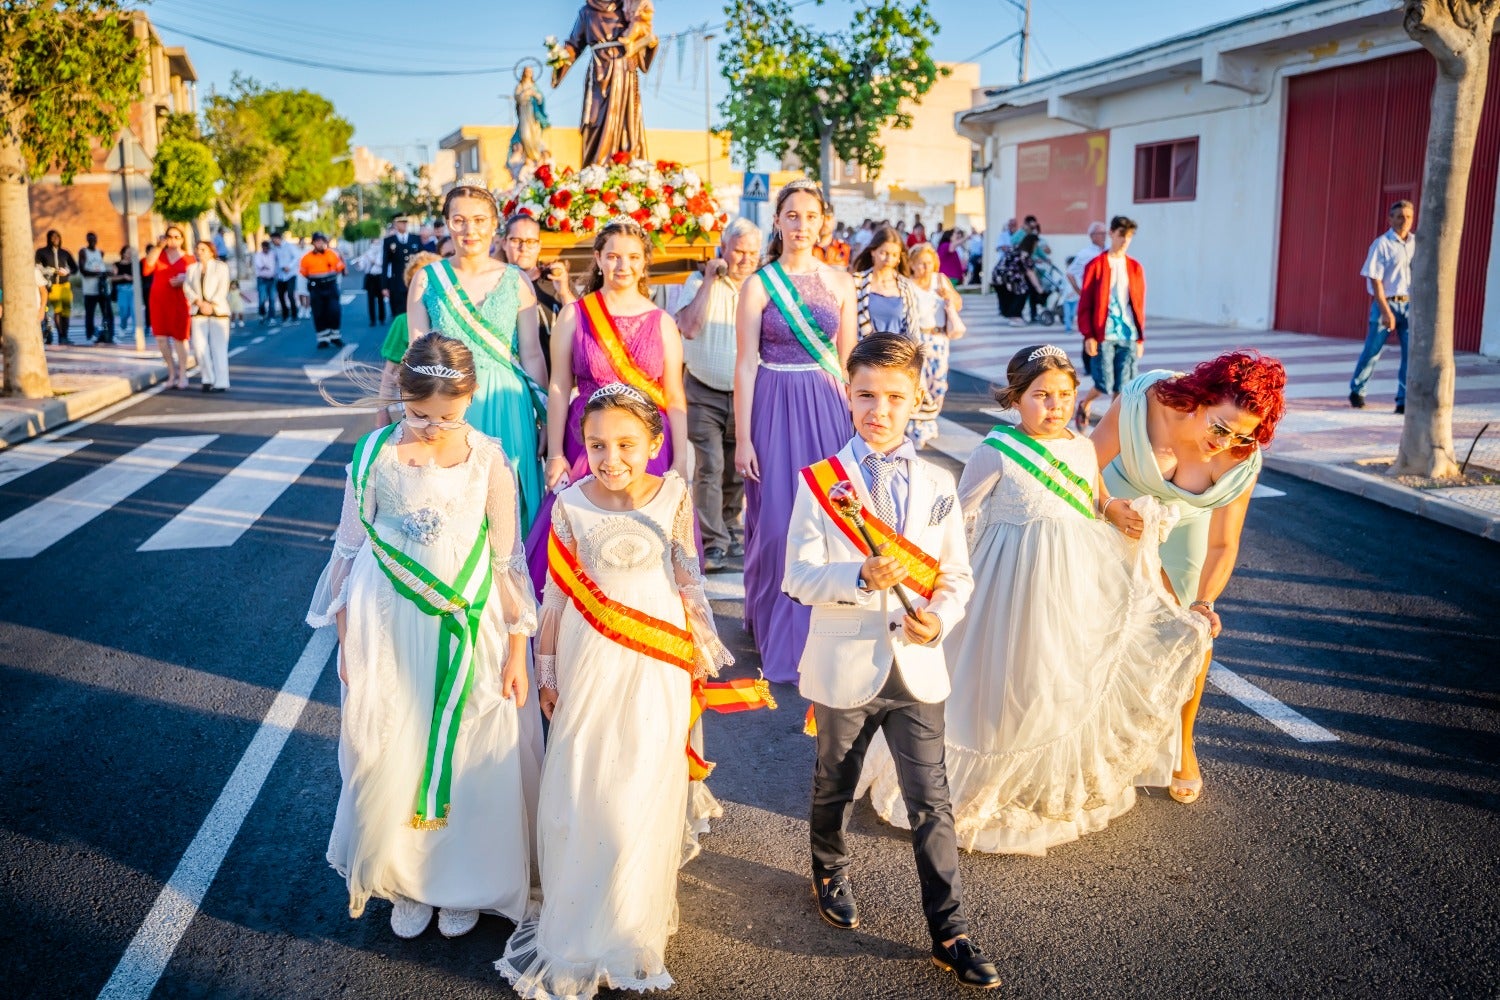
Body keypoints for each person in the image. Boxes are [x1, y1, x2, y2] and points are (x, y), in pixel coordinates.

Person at [860, 345, 1209, 856]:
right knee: (1007, 677)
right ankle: (987, 781)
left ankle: (1040, 783)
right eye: (1041, 396)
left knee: (1057, 674)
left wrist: (1114, 509)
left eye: (1065, 396)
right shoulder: (995, 450)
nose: (1056, 406)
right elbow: (958, 517)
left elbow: (1090, 498)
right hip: (1008, 581)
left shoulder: (1084, 448)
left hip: (1072, 578)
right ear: (1016, 399)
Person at [783, 332, 1001, 991]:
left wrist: (943, 616)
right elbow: (797, 576)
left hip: (917, 668)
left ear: (918, 402)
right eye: (867, 395)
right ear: (848, 397)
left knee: (931, 800)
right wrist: (859, 575)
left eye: (895, 398)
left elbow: (956, 576)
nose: (880, 409)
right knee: (836, 783)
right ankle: (830, 867)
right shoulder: (822, 483)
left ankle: (951, 930)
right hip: (845, 665)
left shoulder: (939, 482)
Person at [308, 333, 542, 942]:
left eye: (448, 415)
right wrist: (345, 638)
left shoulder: (490, 459)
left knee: (470, 744)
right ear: (400, 399)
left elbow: (506, 558)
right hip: (388, 620)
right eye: (418, 415)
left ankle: (463, 879)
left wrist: (519, 649)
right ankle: (407, 878)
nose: (432, 427)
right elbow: (349, 545)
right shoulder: (373, 455)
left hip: (467, 619)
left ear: (472, 398)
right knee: (394, 741)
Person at [499, 385, 730, 998]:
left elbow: (687, 575)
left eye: (627, 444)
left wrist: (700, 651)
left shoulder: (674, 493)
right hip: (589, 656)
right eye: (597, 444)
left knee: (643, 780)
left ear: (655, 443)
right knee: (587, 779)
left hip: (656, 658)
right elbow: (555, 595)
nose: (611, 458)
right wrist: (545, 671)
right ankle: (579, 916)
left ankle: (631, 920)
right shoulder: (571, 501)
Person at [1092, 352, 1286, 804]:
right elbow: (1086, 463)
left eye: (1244, 434)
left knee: (1193, 635)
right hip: (1109, 511)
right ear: (1200, 398)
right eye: (1221, 426)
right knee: (1098, 627)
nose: (1226, 442)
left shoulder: (1241, 457)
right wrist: (1107, 508)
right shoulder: (1147, 399)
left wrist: (1204, 603)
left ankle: (1184, 742)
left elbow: (1223, 544)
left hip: (1183, 530)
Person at [523, 217, 689, 592]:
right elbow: (560, 386)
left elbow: (676, 396)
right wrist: (555, 455)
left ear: (644, 262)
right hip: (586, 442)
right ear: (598, 258)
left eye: (632, 257)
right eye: (613, 256)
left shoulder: (663, 322)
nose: (622, 266)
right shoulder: (575, 315)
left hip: (648, 445)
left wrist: (679, 461)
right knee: (579, 531)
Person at [734, 179, 856, 685]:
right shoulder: (758, 285)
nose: (802, 224)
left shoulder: (843, 283)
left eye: (810, 215)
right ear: (778, 221)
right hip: (773, 401)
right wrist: (742, 438)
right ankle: (778, 632)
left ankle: (831, 630)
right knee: (780, 523)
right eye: (792, 214)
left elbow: (851, 362)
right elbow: (744, 364)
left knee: (833, 520)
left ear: (822, 221)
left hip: (828, 405)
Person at [404, 187, 548, 536]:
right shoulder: (428, 279)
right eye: (459, 220)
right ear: (447, 224)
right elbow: (416, 356)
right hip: (449, 404)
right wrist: (415, 421)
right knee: (454, 503)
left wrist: (545, 419)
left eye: (480, 220)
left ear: (495, 224)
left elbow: (531, 353)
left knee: (512, 501)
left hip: (509, 404)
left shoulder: (517, 281)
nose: (470, 230)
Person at [675, 216, 761, 572]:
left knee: (737, 469)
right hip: (703, 390)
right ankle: (713, 543)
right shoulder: (697, 281)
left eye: (752, 254)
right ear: (723, 249)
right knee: (710, 467)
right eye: (739, 251)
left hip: (746, 394)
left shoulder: (760, 286)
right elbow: (689, 328)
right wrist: (710, 280)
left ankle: (728, 528)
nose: (745, 260)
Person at [1076, 216, 1145, 431]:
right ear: (1111, 234)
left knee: (1123, 385)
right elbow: (1085, 302)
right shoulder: (1096, 265)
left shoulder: (1135, 267)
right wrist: (1088, 334)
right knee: (1103, 382)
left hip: (1128, 334)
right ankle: (1085, 403)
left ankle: (1114, 426)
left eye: (1129, 236)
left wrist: (1140, 338)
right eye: (1121, 235)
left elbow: (1139, 304)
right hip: (1103, 333)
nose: (1125, 240)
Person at [1348, 199, 1415, 414]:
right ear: (1390, 219)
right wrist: (1386, 311)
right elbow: (1375, 280)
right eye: (1399, 217)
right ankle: (1357, 390)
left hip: (1410, 305)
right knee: (1372, 351)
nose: (1403, 221)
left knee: (1410, 354)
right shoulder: (1381, 244)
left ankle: (1403, 400)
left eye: (1408, 217)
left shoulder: (1416, 243)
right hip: (1385, 304)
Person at [906, 243, 964, 448]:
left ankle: (930, 418)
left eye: (929, 263)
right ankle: (919, 424)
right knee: (918, 385)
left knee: (938, 384)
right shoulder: (907, 284)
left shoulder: (940, 281)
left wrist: (949, 296)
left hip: (939, 339)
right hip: (917, 339)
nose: (925, 267)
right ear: (911, 264)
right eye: (921, 263)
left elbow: (958, 303)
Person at [500, 211, 576, 369]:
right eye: (516, 240)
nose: (523, 248)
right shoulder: (495, 286)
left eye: (531, 241)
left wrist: (563, 292)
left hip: (558, 379)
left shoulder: (557, 282)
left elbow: (580, 326)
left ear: (539, 245)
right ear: (504, 243)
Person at [378, 252, 441, 400]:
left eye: (432, 283)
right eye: (418, 285)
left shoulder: (457, 318)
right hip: (417, 400)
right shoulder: (402, 321)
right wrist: (382, 411)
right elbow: (390, 370)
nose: (426, 290)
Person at [141, 225, 194, 390]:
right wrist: (158, 246)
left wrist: (184, 280)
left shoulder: (189, 259)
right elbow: (147, 269)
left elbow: (195, 279)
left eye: (177, 237)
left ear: (183, 239)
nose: (172, 240)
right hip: (159, 302)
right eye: (169, 236)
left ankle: (183, 373)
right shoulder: (159, 255)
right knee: (161, 339)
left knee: (180, 339)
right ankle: (172, 372)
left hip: (179, 302)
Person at [851, 226, 923, 339]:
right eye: (884, 253)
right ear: (873, 251)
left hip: (899, 353)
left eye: (894, 255)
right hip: (865, 352)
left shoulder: (905, 286)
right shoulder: (857, 282)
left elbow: (913, 330)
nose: (889, 259)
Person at [185, 239, 233, 393]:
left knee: (218, 348)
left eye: (203, 249)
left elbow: (223, 288)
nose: (200, 252)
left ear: (211, 251)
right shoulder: (192, 268)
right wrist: (199, 302)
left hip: (218, 311)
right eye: (197, 249)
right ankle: (207, 378)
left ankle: (221, 381)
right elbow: (187, 287)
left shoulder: (221, 267)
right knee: (199, 347)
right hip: (198, 311)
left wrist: (211, 304)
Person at [300, 232, 347, 349]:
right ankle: (323, 339)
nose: (320, 243)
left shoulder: (331, 254)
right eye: (317, 241)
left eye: (322, 241)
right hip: (316, 288)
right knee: (319, 313)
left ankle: (335, 336)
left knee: (334, 311)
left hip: (331, 286)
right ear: (313, 243)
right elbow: (304, 273)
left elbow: (340, 268)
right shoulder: (307, 258)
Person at [1064, 221, 1107, 344]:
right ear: (1092, 236)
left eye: (1105, 233)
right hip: (1093, 298)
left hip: (1109, 298)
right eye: (1101, 233)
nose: (1104, 236)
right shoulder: (1085, 254)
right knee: (1091, 334)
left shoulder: (1110, 251)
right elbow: (1070, 273)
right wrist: (1079, 291)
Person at [35, 231, 76, 344]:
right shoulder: (42, 252)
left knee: (66, 310)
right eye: (53, 237)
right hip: (52, 285)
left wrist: (66, 271)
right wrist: (52, 271)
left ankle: (65, 336)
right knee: (58, 310)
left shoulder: (64, 252)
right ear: (48, 238)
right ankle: (60, 336)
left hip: (65, 285)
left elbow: (75, 268)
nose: (55, 239)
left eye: (57, 237)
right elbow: (38, 267)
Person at [383, 216, 424, 317]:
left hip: (414, 281)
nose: (404, 224)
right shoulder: (389, 241)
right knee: (399, 313)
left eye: (406, 222)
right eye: (401, 222)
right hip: (397, 282)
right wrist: (384, 286)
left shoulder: (415, 238)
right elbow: (385, 264)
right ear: (396, 224)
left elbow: (422, 260)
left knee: (415, 312)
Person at [77, 232, 114, 344]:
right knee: (90, 313)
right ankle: (90, 335)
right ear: (87, 240)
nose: (92, 241)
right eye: (90, 239)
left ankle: (109, 334)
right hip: (90, 289)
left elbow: (101, 269)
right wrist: (100, 273)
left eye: (94, 239)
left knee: (107, 313)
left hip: (102, 288)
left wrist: (106, 273)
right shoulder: (83, 252)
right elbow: (83, 271)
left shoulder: (100, 252)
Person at [355, 232, 388, 327]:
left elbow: (380, 264)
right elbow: (362, 266)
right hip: (370, 277)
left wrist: (371, 258)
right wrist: (359, 263)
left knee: (381, 299)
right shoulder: (368, 252)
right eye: (374, 242)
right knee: (370, 299)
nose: (375, 244)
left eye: (377, 242)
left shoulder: (382, 253)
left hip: (379, 277)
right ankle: (372, 319)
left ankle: (382, 318)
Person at [271, 232, 301, 322]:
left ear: (278, 238)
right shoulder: (275, 249)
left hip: (290, 274)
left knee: (290, 294)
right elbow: (275, 261)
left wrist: (290, 266)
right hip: (280, 275)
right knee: (280, 296)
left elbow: (296, 257)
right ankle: (285, 314)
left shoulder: (289, 246)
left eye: (274, 240)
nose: (273, 242)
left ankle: (294, 314)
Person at [111, 246, 136, 339]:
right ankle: (123, 326)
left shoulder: (135, 264)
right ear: (123, 253)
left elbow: (139, 277)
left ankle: (136, 331)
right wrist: (123, 276)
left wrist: (133, 278)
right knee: (124, 311)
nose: (129, 254)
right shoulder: (116, 264)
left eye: (131, 252)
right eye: (128, 252)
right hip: (121, 290)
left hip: (133, 290)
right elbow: (113, 278)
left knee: (134, 311)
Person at [252, 239, 278, 325]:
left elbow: (274, 265)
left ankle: (272, 317)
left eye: (267, 248)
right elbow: (261, 266)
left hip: (271, 279)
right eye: (264, 248)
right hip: (262, 279)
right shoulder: (258, 255)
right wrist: (266, 267)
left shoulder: (272, 254)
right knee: (262, 298)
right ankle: (262, 314)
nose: (265, 249)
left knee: (272, 299)